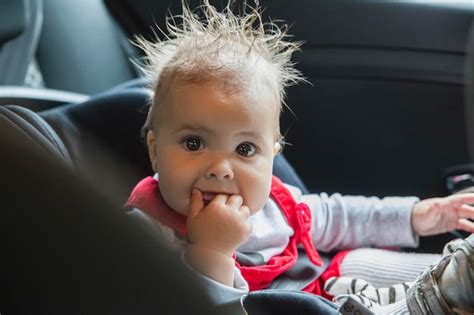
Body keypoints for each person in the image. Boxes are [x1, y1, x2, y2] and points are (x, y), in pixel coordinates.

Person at [126, 1, 474, 314]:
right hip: (294, 309)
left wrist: (415, 217)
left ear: (272, 153)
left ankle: (456, 280)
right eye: (193, 143)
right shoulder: (145, 231)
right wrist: (212, 253)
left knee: (404, 266)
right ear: (155, 150)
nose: (220, 169)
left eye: (245, 150)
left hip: (330, 281)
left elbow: (336, 217)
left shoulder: (275, 204)